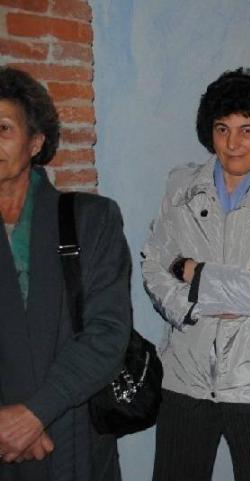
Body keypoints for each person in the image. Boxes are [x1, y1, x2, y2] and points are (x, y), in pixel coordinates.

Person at [142, 67, 250, 481]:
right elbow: (153, 263)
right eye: (222, 129)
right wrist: (195, 307)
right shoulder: (181, 185)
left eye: (246, 130)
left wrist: (191, 271)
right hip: (185, 375)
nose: (233, 144)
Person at [0, 67, 132, 480]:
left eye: (3, 128)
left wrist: (36, 414)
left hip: (72, 434)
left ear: (36, 142)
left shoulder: (90, 219)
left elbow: (108, 332)